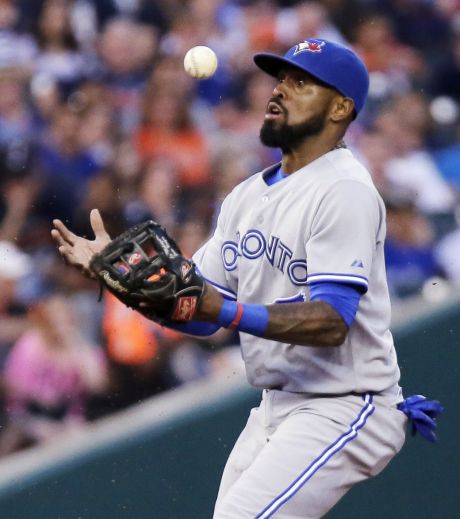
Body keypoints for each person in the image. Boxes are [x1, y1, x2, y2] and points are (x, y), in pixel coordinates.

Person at [51, 39, 440, 519]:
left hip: (344, 403)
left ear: (341, 107)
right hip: (279, 404)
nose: (279, 91)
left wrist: (225, 310)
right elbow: (198, 313)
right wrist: (118, 279)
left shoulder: (344, 190)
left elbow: (331, 321)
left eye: (301, 83)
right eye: (280, 79)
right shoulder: (246, 197)